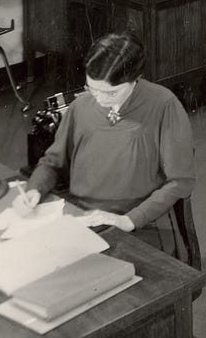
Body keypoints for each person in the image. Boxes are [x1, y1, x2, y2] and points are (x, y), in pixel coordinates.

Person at [17, 32, 196, 251]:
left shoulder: (163, 105)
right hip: (82, 216)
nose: (100, 99)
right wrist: (35, 189)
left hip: (139, 225)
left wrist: (128, 221)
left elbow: (181, 181)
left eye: (111, 93)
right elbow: (53, 163)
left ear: (134, 79)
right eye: (92, 88)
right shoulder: (81, 106)